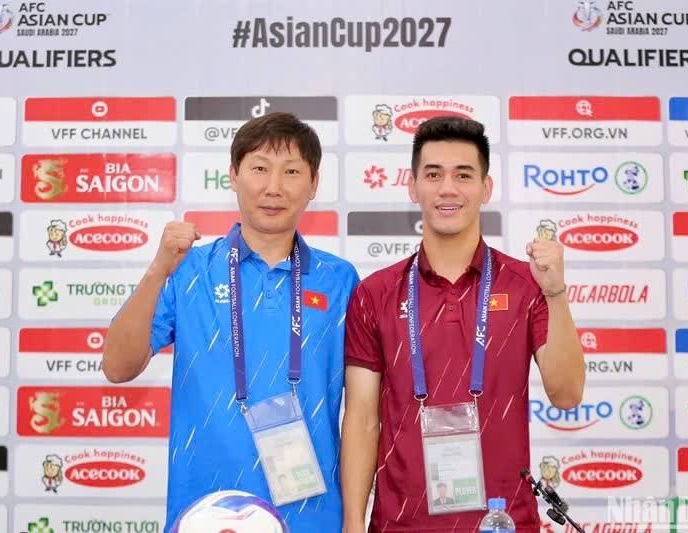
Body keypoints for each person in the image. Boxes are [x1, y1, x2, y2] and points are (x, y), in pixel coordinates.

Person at [103, 112, 359, 533]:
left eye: (291, 172)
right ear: (234, 176)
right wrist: (158, 270)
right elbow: (118, 367)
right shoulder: (190, 270)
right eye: (259, 168)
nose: (273, 187)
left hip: (313, 517)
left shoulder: (340, 280)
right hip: (205, 513)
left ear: (313, 184)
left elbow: (365, 411)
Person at [340, 116, 585, 533]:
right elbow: (362, 420)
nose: (448, 189)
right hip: (401, 525)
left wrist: (556, 294)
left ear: (486, 188)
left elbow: (567, 394)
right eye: (433, 174)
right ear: (413, 186)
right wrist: (351, 523)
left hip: (504, 522)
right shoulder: (375, 293)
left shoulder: (526, 285)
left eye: (464, 175)